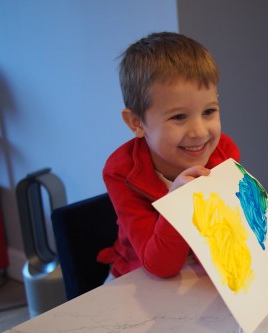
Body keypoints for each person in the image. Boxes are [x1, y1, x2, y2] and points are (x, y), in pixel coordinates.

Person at [98, 32, 240, 280]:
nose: (199, 132)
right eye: (179, 117)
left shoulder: (223, 152)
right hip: (137, 278)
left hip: (196, 274)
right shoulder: (121, 172)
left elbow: (227, 241)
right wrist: (178, 203)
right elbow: (160, 268)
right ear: (136, 122)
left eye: (208, 111)